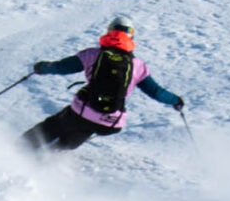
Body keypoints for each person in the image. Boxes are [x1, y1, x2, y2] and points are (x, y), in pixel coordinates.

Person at [21, 16, 186, 152]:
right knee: (85, 128)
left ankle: (17, 151)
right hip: (110, 122)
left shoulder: (93, 55)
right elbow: (156, 92)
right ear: (131, 37)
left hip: (83, 110)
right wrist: (176, 101)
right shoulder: (137, 66)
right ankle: (52, 158)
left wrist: (42, 68)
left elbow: (61, 67)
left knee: (54, 125)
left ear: (109, 32)